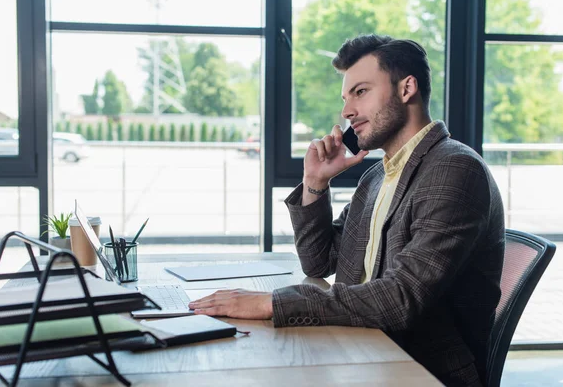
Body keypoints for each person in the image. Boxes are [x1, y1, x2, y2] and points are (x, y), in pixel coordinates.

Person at [189, 35, 505, 387]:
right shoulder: (377, 177)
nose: (346, 111)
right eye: (346, 97)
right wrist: (315, 183)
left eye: (361, 92)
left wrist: (273, 303)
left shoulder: (455, 169)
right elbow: (319, 261)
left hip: (421, 370)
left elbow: (401, 299)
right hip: (363, 350)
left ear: (407, 88)